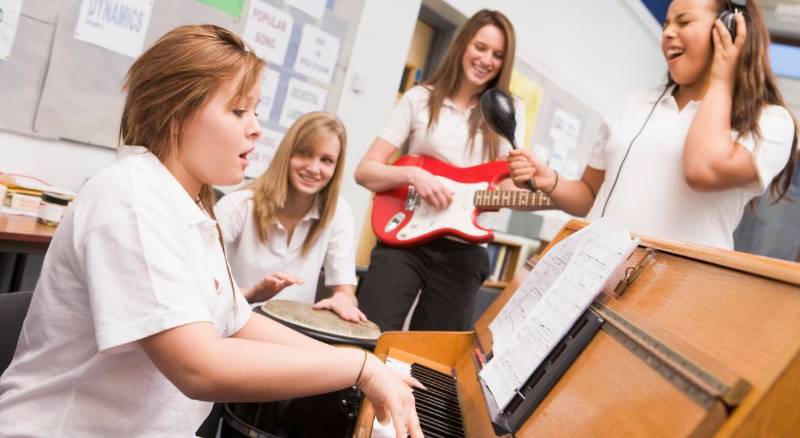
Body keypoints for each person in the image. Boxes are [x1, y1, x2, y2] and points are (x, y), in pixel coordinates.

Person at [0, 24, 422, 438]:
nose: (256, 127)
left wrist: (360, 364)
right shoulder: (132, 198)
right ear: (176, 116)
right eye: (239, 111)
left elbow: (237, 323)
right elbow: (198, 367)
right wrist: (356, 368)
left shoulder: (194, 204)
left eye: (255, 111)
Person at [509, 0, 797, 250]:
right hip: (593, 278)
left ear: (730, 28)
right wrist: (553, 182)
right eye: (666, 25)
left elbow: (702, 169)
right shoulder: (634, 103)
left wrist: (722, 79)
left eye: (684, 21)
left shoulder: (769, 121)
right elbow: (590, 197)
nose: (668, 32)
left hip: (675, 294)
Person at [355, 9, 524, 332]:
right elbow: (365, 171)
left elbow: (510, 191)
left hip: (465, 252)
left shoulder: (510, 110)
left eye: (498, 54)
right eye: (480, 47)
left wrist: (529, 183)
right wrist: (412, 175)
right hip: (404, 241)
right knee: (369, 334)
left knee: (430, 359)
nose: (486, 59)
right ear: (463, 45)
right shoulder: (419, 100)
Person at [215, 111, 365, 322]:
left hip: (295, 332)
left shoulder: (338, 212)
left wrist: (343, 299)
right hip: (235, 322)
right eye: (305, 153)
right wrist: (253, 293)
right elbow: (200, 287)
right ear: (287, 153)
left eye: (326, 160)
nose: (314, 168)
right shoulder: (238, 205)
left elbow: (345, 291)